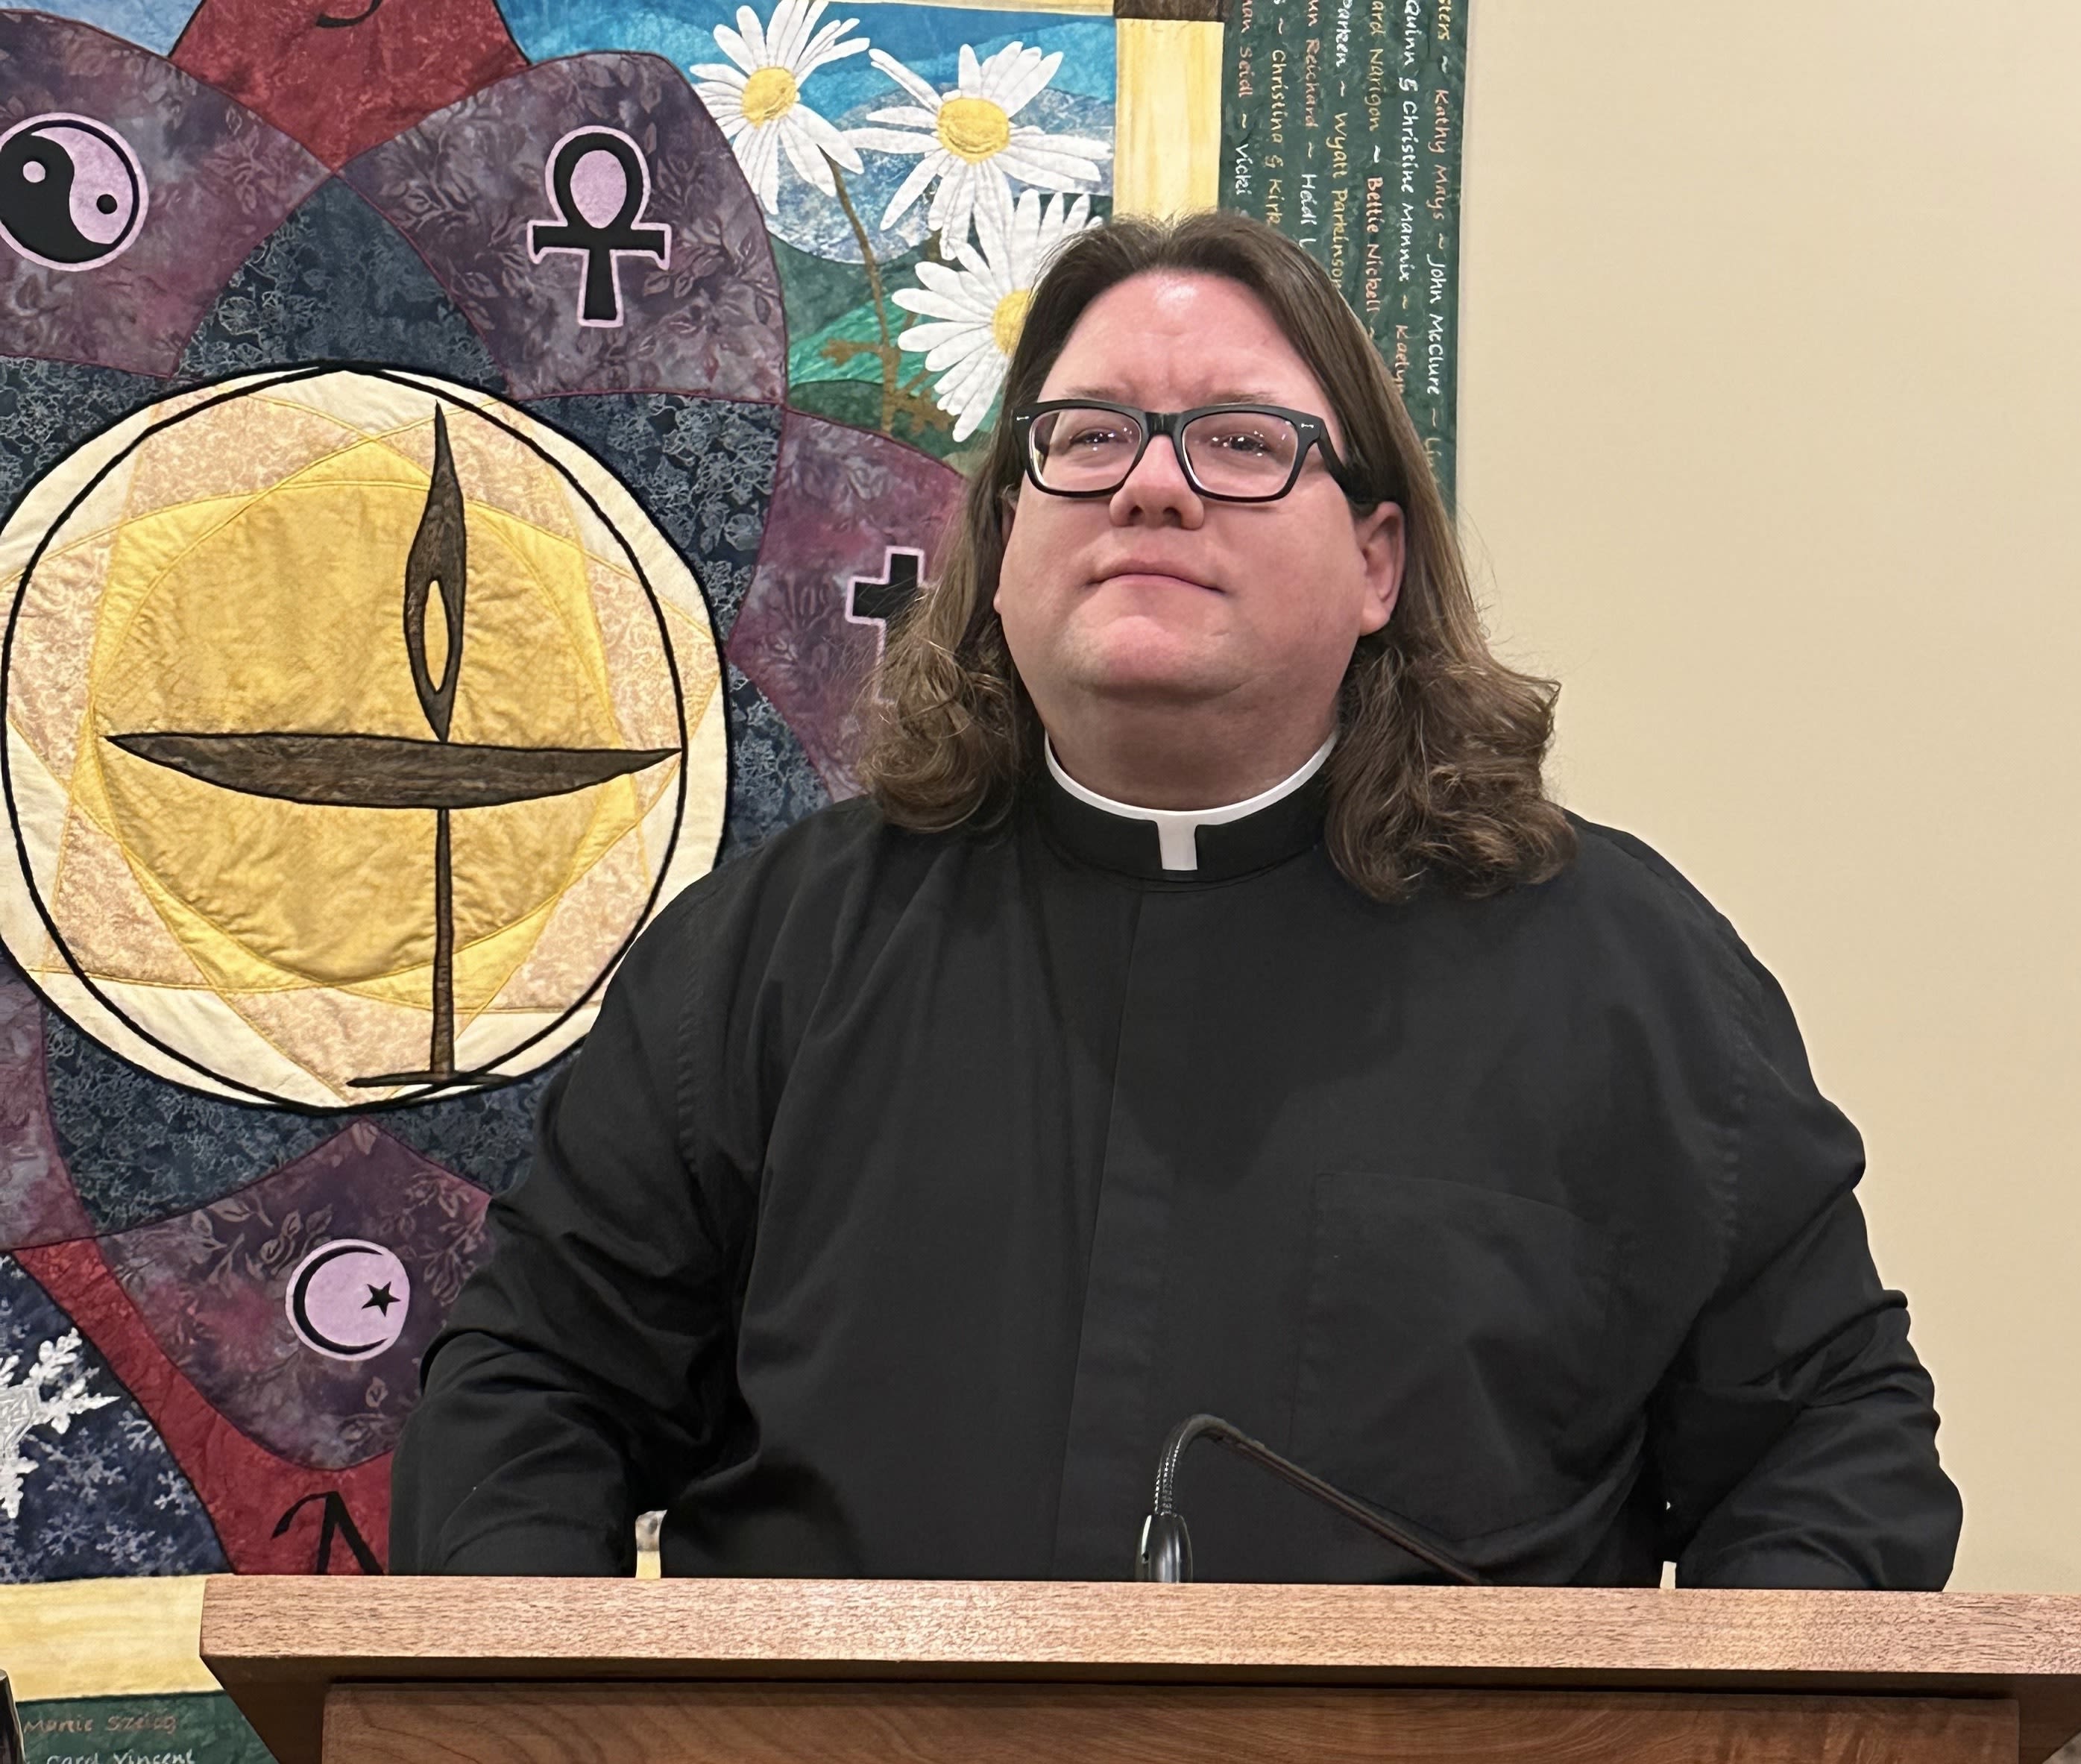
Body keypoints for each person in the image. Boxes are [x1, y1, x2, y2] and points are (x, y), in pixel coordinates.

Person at [390, 210, 1962, 1588]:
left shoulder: (1623, 974)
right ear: (1004, 546)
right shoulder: (769, 961)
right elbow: (530, 1389)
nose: (1151, 489)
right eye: (1084, 438)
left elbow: (1833, 1443)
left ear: (1375, 560)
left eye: (1238, 440)